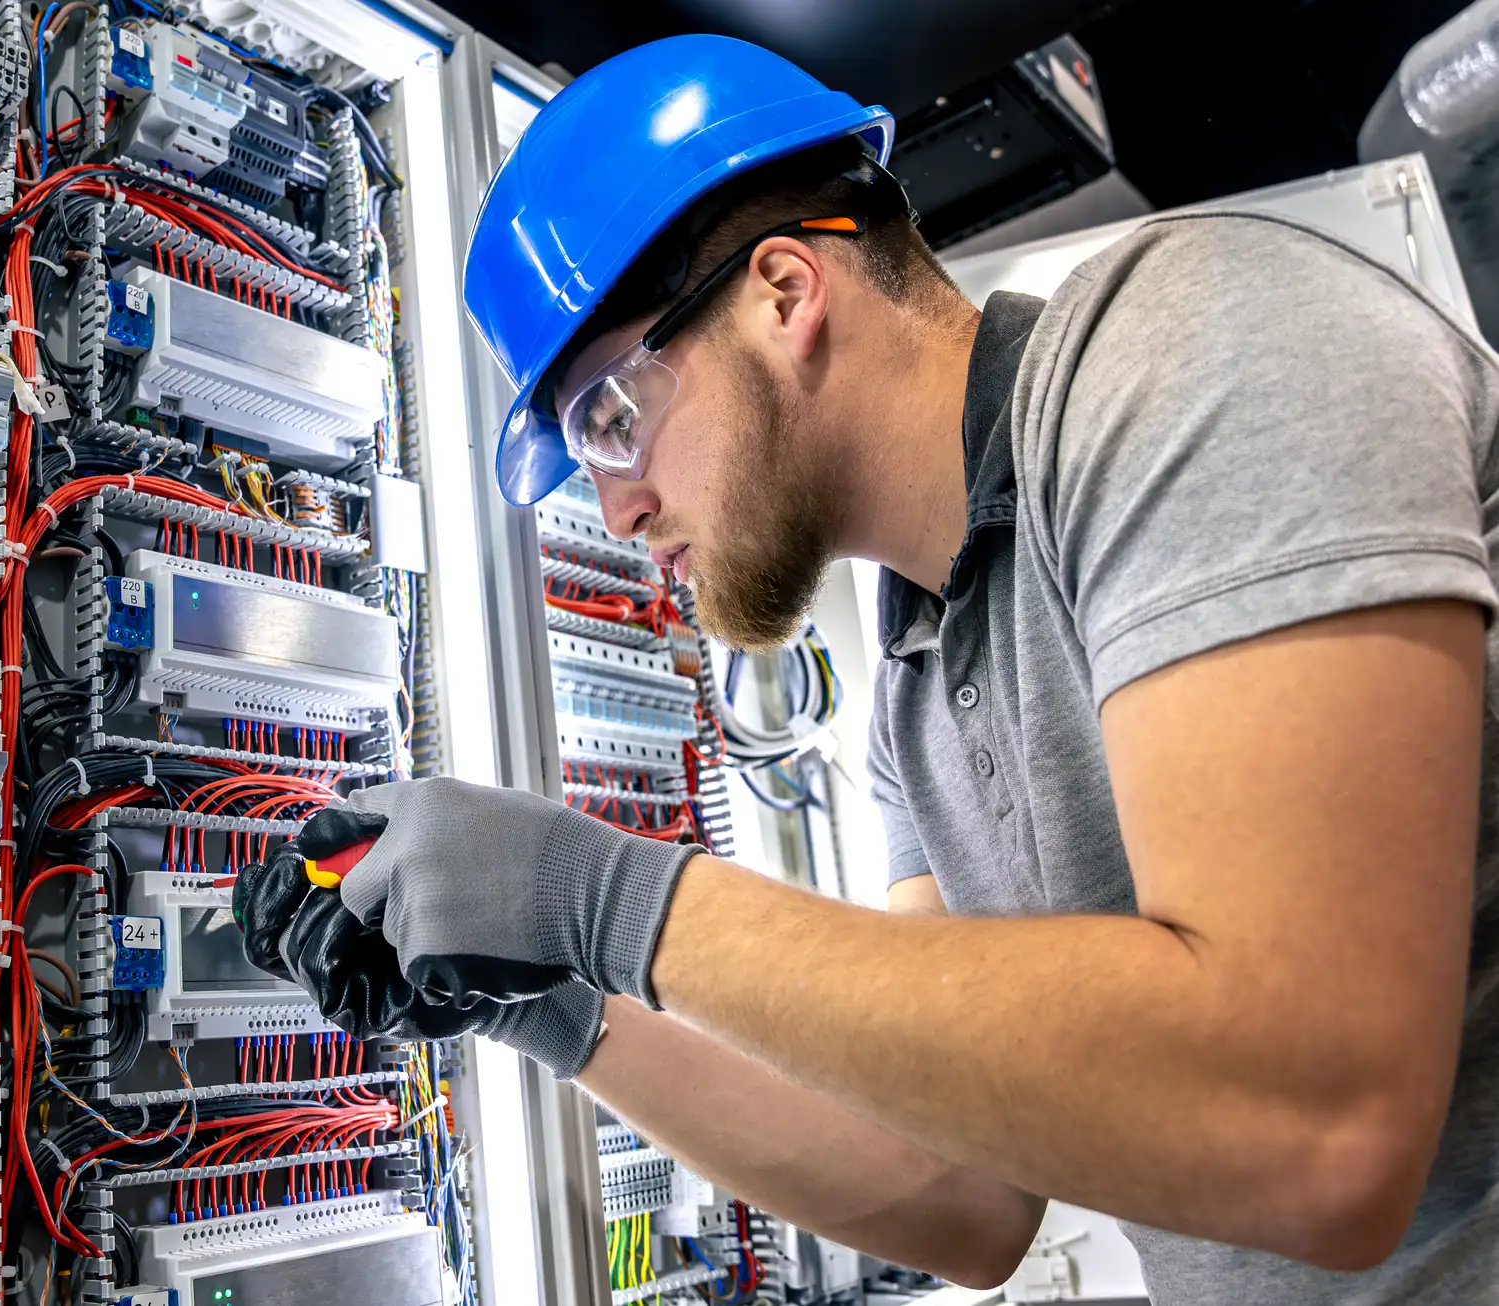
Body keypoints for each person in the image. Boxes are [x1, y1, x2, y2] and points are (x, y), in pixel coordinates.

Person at [234, 33, 1499, 1304]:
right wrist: (547, 1004)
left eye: (611, 420)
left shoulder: (1193, 347)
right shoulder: (914, 693)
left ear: (786, 292)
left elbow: (1318, 1119)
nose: (616, 510)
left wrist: (600, 897)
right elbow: (958, 1190)